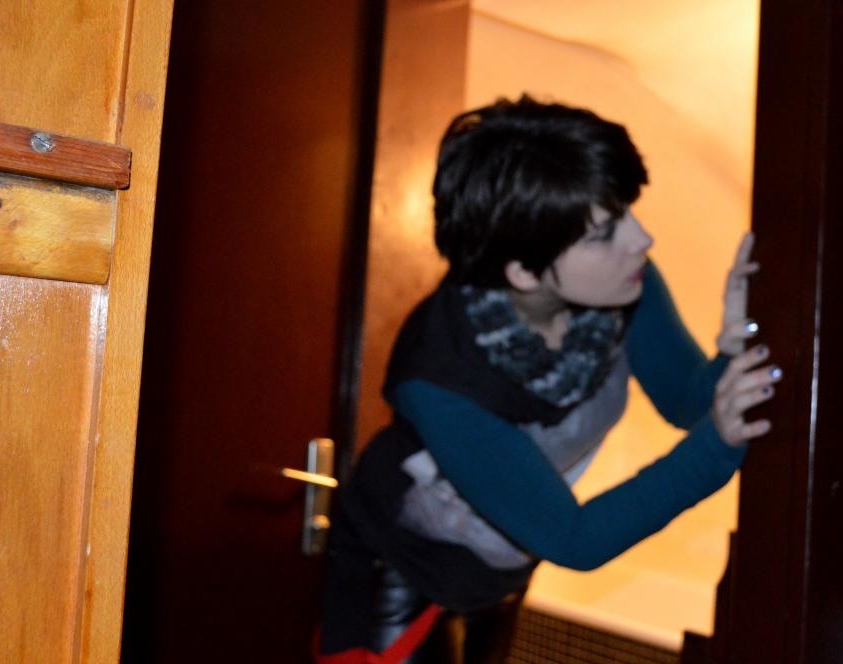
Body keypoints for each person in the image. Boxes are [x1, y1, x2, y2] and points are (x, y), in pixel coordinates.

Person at [316, 95, 780, 664]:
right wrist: (716, 447)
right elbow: (575, 538)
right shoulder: (439, 376)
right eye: (604, 232)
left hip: (505, 568)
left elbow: (685, 401)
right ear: (523, 271)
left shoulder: (623, 285)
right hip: (399, 576)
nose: (641, 239)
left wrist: (732, 346)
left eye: (625, 211)